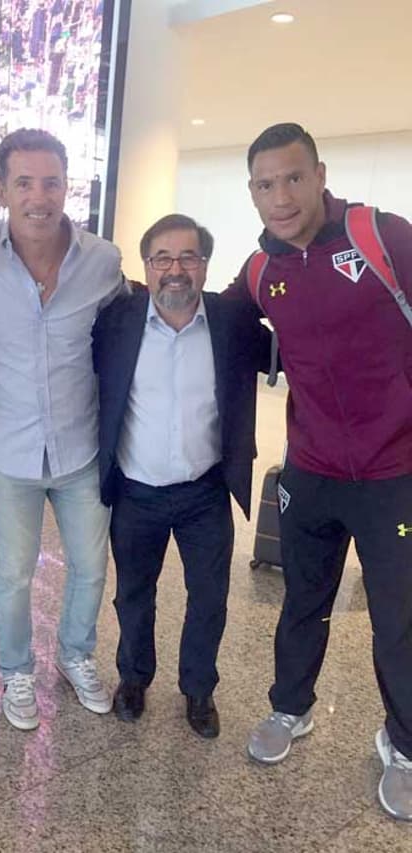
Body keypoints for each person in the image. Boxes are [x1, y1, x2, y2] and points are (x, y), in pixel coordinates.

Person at [227, 122, 412, 821]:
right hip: (311, 467)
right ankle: (289, 706)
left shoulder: (381, 237)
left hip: (396, 468)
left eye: (293, 177)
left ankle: (405, 743)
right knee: (303, 598)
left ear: (320, 173)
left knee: (400, 614)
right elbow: (224, 327)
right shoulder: (259, 271)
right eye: (266, 184)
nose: (282, 195)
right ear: (253, 192)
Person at [0, 128, 123, 731]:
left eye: (50, 182)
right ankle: (17, 672)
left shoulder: (103, 261)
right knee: (14, 573)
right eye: (24, 183)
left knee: (91, 566)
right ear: (1, 189)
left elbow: (123, 343)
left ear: (67, 186)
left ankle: (76, 655)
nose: (39, 196)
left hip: (81, 449)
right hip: (10, 453)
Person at [92, 214, 270, 736]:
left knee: (210, 597)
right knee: (133, 594)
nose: (175, 269)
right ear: (146, 266)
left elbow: (301, 353)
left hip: (205, 491)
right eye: (162, 258)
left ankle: (198, 690)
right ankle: (133, 678)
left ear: (205, 266)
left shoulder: (232, 322)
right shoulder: (118, 321)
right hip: (136, 491)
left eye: (188, 257)